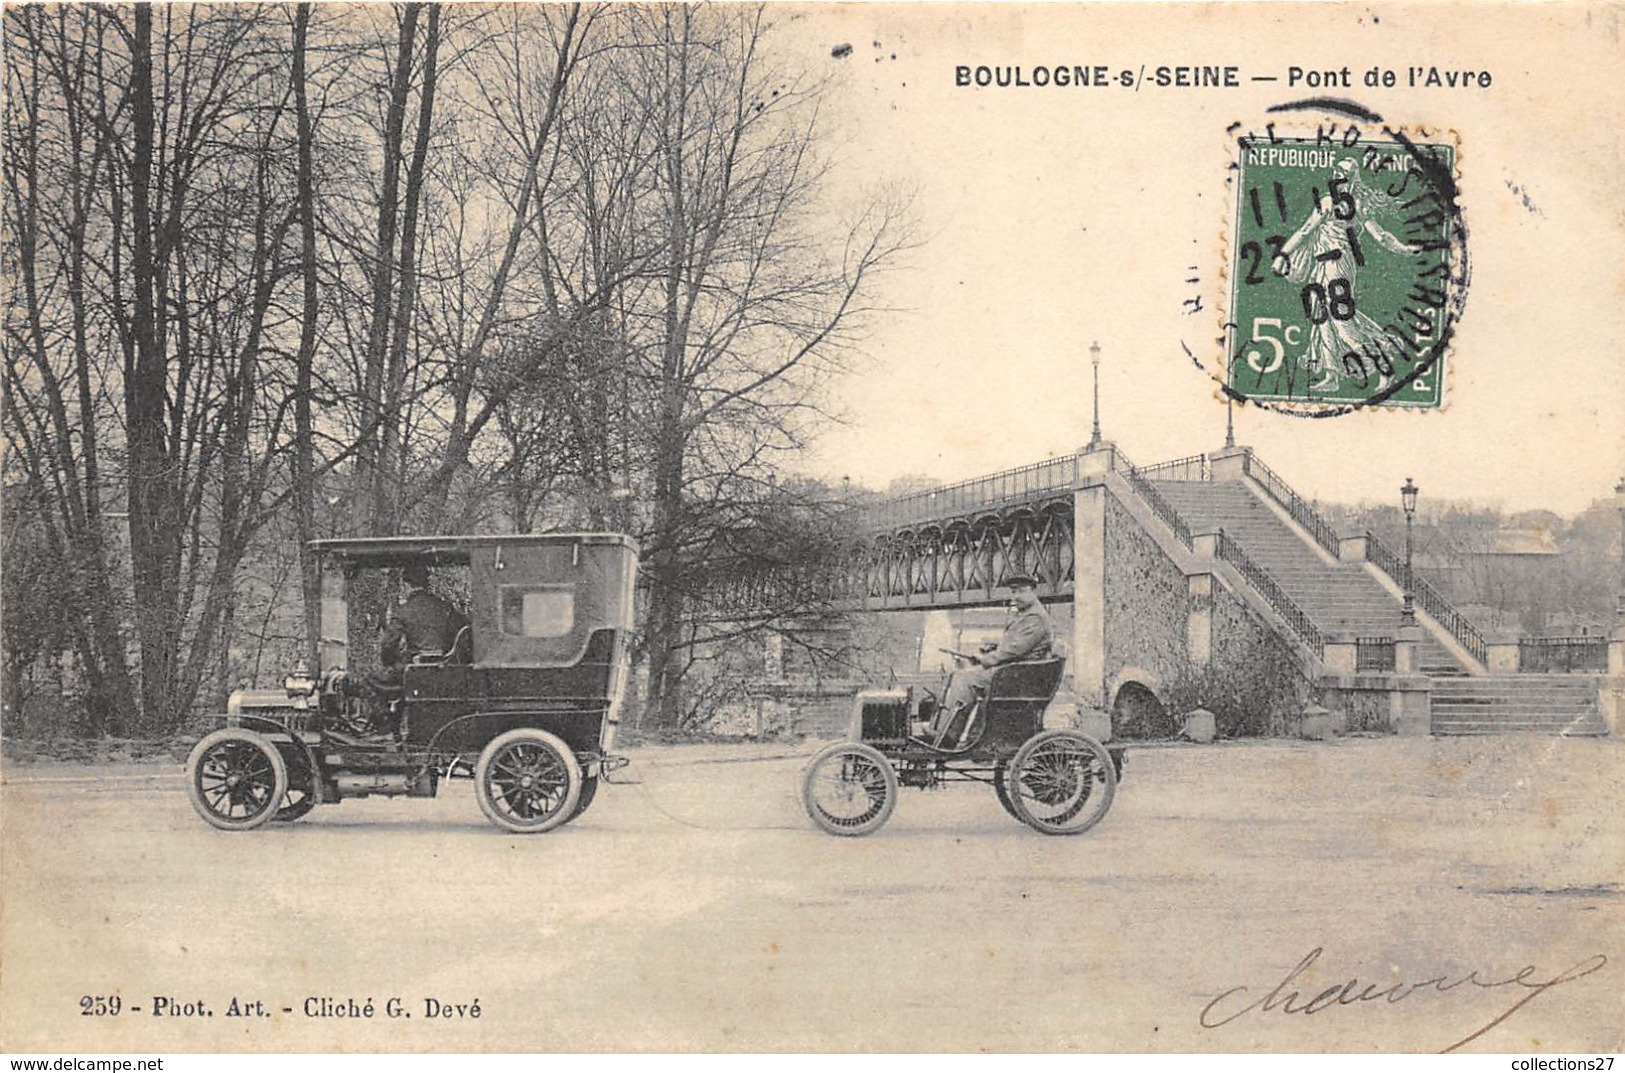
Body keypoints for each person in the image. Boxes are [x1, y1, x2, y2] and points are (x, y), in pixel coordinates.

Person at [926, 574, 1054, 745]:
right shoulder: (1028, 615)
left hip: (1016, 677)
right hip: (1014, 673)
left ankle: (947, 736)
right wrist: (992, 650)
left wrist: (985, 659)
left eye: (1021, 591)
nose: (1016, 596)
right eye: (1014, 592)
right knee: (958, 676)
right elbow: (1014, 646)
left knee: (964, 679)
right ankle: (947, 731)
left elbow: (1014, 650)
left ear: (1033, 592)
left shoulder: (1035, 618)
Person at [355, 562, 470, 713]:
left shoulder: (404, 611)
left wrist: (391, 663)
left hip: (415, 668)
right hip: (446, 668)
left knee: (370, 680)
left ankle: (384, 727)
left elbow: (388, 645)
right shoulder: (444, 607)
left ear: (406, 585)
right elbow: (464, 630)